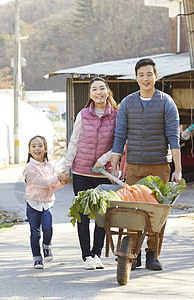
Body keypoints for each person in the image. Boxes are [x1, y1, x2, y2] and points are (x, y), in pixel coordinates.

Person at [110, 58, 182, 271]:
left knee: (157, 212)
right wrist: (114, 165)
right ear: (136, 78)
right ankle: (134, 253)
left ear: (156, 76)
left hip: (159, 166)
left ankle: (153, 254)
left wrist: (178, 169)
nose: (145, 78)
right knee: (132, 211)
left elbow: (174, 138)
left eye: (149, 74)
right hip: (134, 166)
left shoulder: (166, 102)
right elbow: (119, 136)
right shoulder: (127, 103)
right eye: (141, 75)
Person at [64, 77, 118, 270]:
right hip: (81, 171)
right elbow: (74, 141)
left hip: (104, 173)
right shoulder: (83, 114)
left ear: (107, 91)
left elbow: (120, 143)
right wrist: (66, 165)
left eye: (102, 88)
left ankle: (97, 254)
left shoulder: (116, 115)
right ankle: (86, 256)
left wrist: (104, 159)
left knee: (102, 216)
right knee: (83, 215)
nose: (98, 92)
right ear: (90, 95)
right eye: (94, 89)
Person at [24, 135, 70, 269]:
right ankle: (37, 258)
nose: (37, 148)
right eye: (33, 146)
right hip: (33, 203)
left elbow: (52, 186)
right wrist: (57, 177)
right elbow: (42, 183)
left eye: (40, 146)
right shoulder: (29, 167)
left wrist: (62, 182)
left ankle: (47, 246)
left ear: (45, 149)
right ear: (29, 150)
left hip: (47, 203)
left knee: (47, 228)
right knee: (35, 233)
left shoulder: (49, 166)